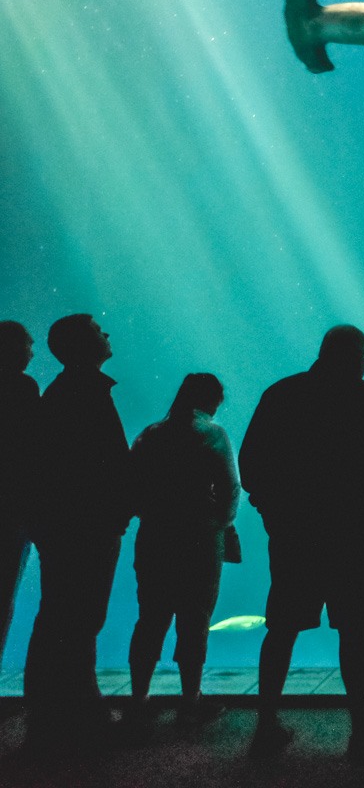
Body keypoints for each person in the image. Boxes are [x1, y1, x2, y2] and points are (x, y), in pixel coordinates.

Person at [238, 325, 364, 761]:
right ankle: (361, 727)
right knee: (355, 629)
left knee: (283, 628)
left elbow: (251, 464)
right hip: (354, 535)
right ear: (353, 356)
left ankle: (266, 725)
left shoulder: (282, 394)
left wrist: (273, 514)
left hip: (295, 536)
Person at [22, 314, 133, 753]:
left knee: (68, 616)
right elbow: (91, 466)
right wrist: (117, 507)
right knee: (74, 616)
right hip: (84, 527)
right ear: (83, 344)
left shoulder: (72, 390)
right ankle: (68, 716)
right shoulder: (81, 392)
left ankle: (66, 712)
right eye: (98, 329)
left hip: (76, 526)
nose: (107, 333)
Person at [125, 373, 239, 732]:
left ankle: (139, 700)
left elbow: (131, 482)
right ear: (212, 399)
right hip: (199, 538)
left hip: (155, 535)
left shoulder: (151, 433)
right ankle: (190, 701)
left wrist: (151, 513)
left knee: (150, 618)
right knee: (195, 619)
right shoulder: (213, 433)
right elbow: (229, 487)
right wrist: (220, 522)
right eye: (219, 398)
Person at [0, 321, 39, 663]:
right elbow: (33, 449)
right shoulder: (23, 387)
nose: (31, 352)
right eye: (27, 345)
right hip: (13, 510)